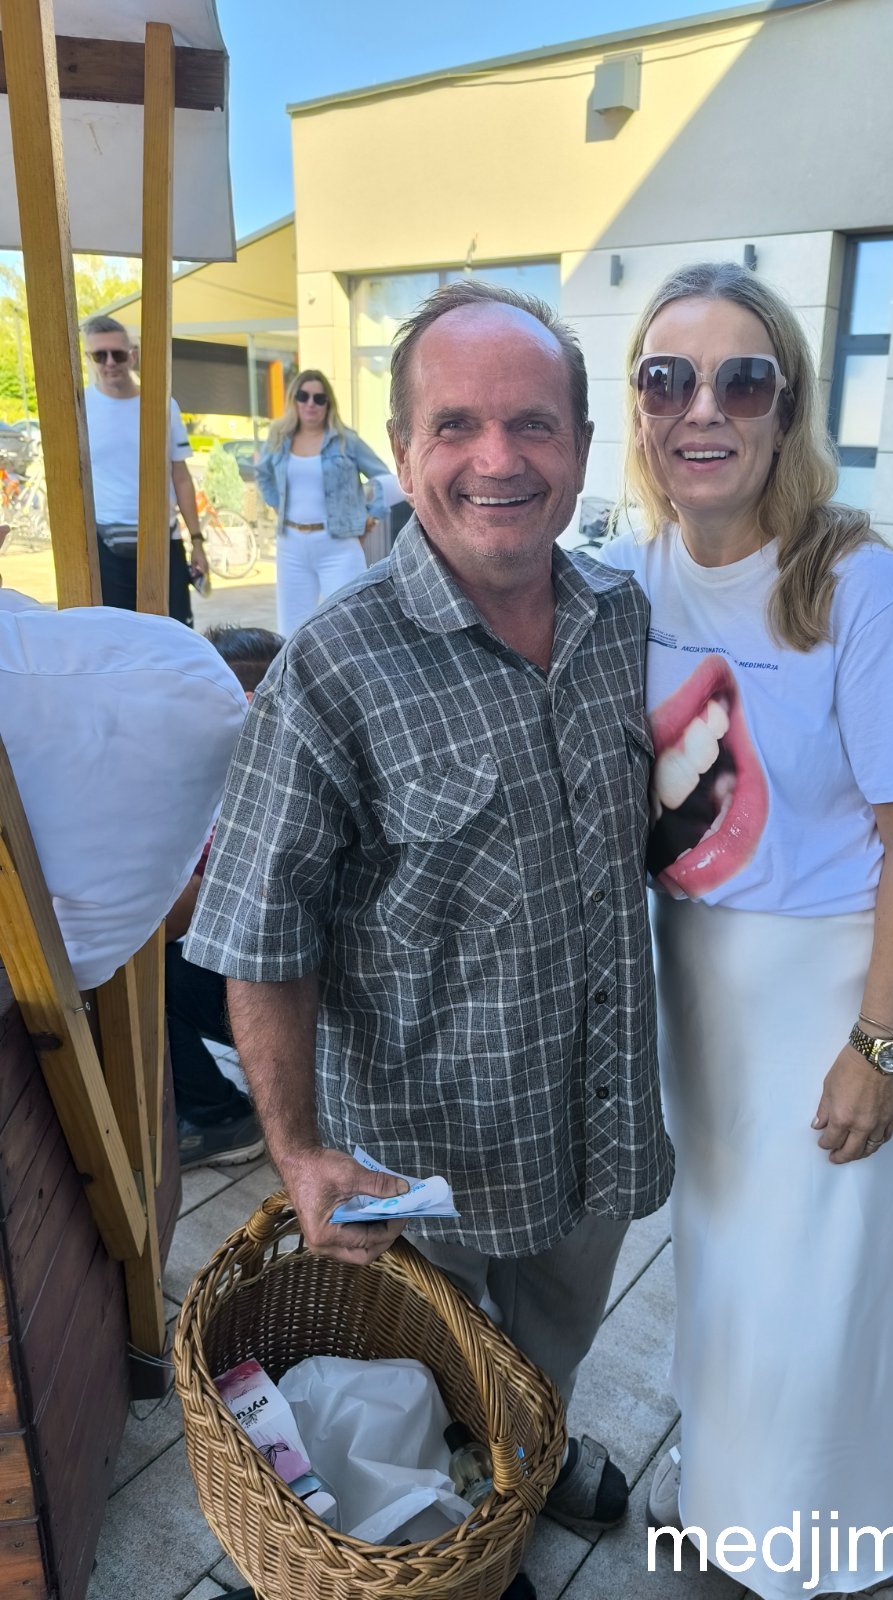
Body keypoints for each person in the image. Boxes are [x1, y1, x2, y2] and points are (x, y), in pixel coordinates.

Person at [185, 280, 673, 1543]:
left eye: (533, 423)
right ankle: (455, 1533)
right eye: (455, 424)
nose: (497, 458)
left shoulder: (625, 621)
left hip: (595, 1115)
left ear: (580, 446)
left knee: (554, 1338)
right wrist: (299, 1151)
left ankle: (532, 1457)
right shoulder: (334, 664)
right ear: (401, 452)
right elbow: (261, 934)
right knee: (430, 1371)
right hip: (423, 1160)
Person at [602, 263, 893, 1600]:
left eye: (740, 380)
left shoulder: (859, 589)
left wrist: (880, 1045)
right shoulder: (627, 580)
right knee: (727, 1273)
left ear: (789, 406)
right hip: (700, 983)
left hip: (836, 987)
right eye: (667, 378)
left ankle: (823, 1552)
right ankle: (729, 1500)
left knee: (822, 1298)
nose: (702, 408)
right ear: (639, 408)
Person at [165, 625, 284, 1170]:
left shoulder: (242, 784)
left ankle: (217, 1117)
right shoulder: (292, 755)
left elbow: (172, 920)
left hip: (294, 1007)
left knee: (141, 969)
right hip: (326, 997)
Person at [82, 314, 207, 626]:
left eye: (117, 354)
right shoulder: (80, 406)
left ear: (132, 355)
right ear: (89, 358)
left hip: (161, 539)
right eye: (100, 355)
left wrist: (197, 542)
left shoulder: (162, 404)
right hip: (105, 542)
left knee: (174, 632)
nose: (110, 362)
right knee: (116, 634)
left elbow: (181, 476)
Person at [254, 369, 391, 634]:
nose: (310, 404)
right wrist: (276, 506)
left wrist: (370, 516)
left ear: (328, 403)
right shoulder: (279, 437)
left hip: (338, 544)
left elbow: (383, 477)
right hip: (291, 544)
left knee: (350, 625)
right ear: (293, 399)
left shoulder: (346, 440)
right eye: (303, 396)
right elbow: (263, 473)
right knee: (291, 630)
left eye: (319, 398)